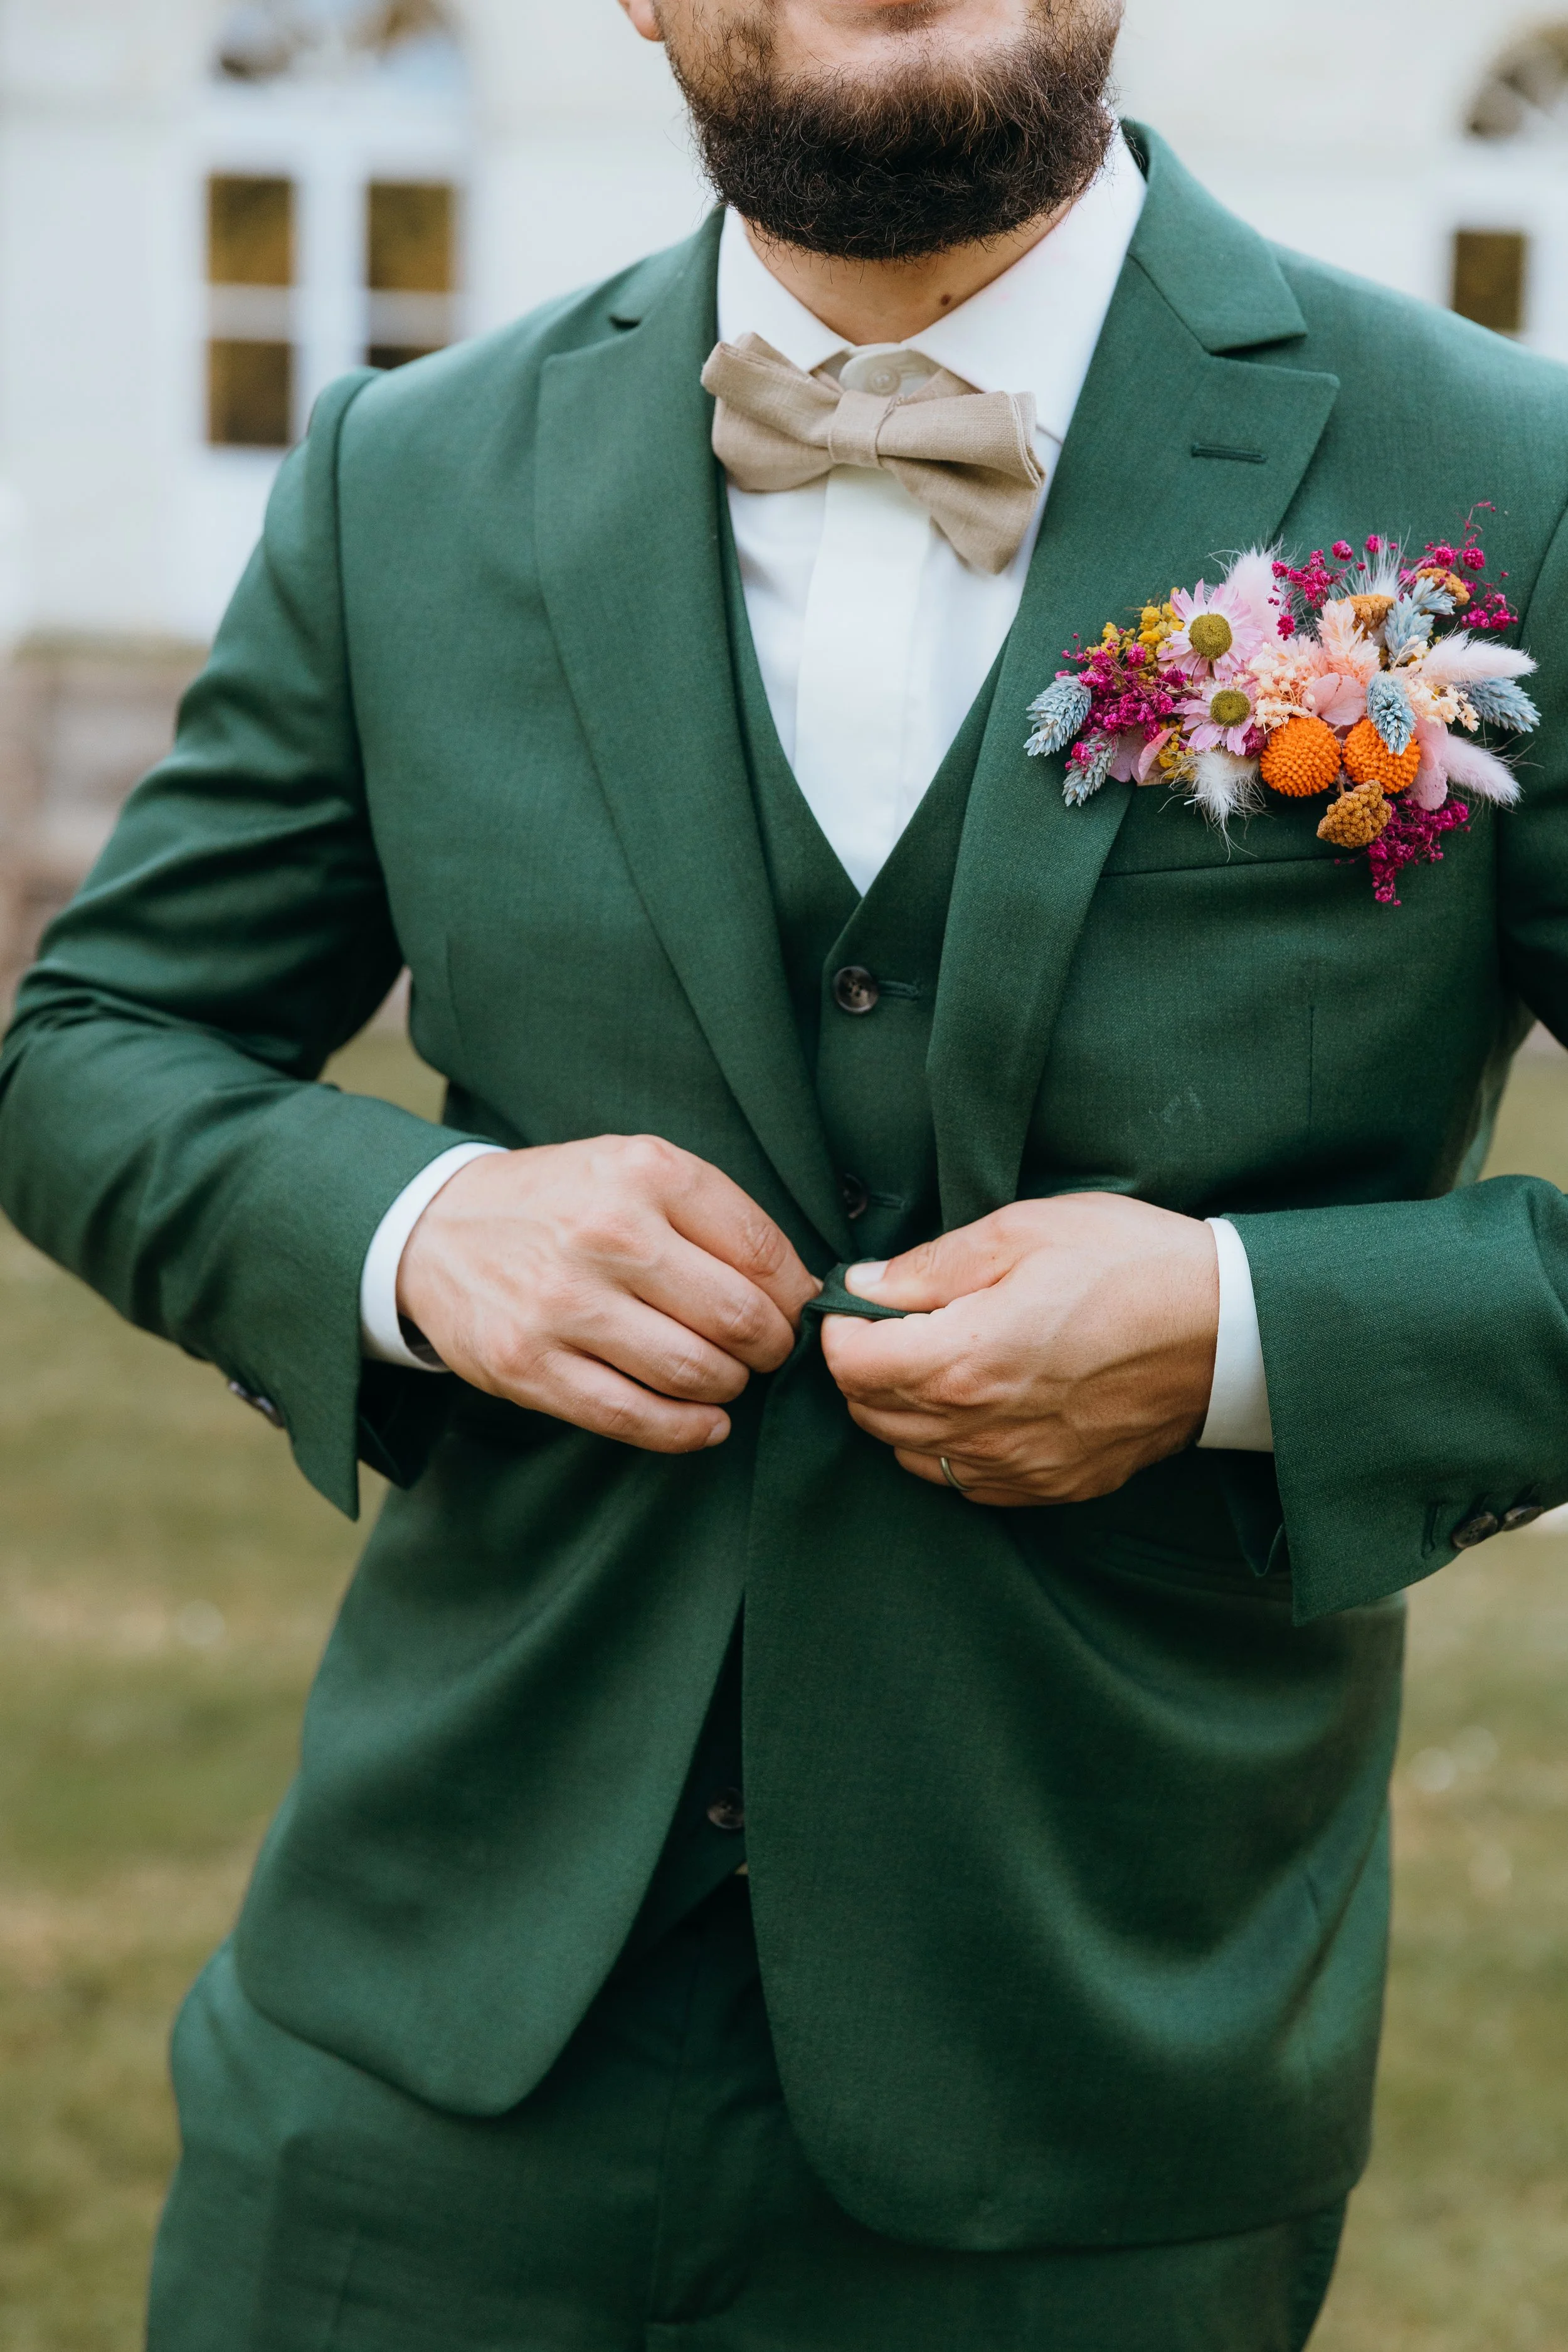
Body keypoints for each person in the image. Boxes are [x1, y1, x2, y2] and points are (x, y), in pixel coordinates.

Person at [3, 0, 1567, 2343]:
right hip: (425, 2044)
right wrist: (422, 1236)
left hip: (1093, 2066)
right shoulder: (398, 474)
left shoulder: (1502, 471)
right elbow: (93, 1041)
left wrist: (1247, 1333)